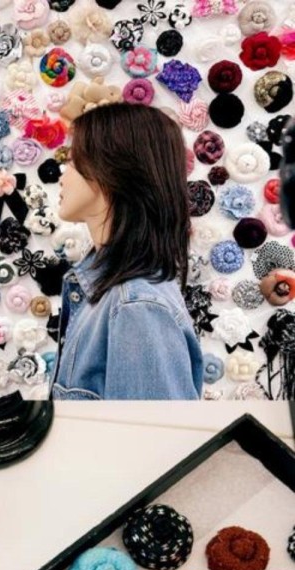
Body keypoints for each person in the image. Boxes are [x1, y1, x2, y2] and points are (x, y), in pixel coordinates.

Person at [50, 102, 203, 400]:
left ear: (109, 170)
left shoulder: (136, 306)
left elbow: (152, 430)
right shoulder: (112, 292)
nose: (62, 175)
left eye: (71, 160)